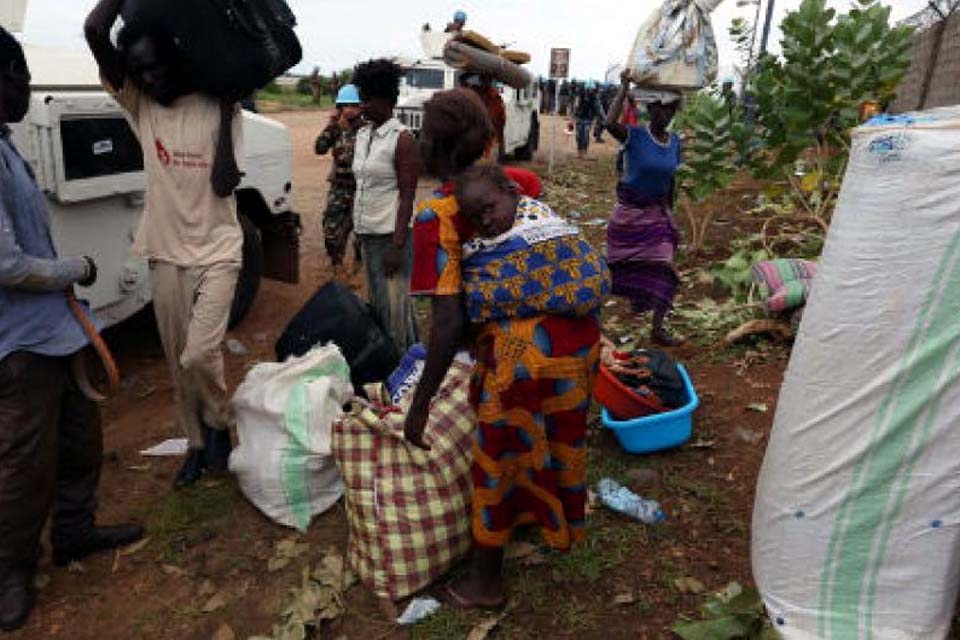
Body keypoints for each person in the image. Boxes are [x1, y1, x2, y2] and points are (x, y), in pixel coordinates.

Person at [407, 89, 606, 609]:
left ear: (439, 147)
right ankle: (557, 526)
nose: (419, 143)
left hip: (523, 356)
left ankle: (486, 580)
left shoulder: (438, 216)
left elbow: (448, 323)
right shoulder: (517, 185)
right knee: (558, 436)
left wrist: (421, 401)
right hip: (580, 338)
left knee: (498, 457)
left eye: (424, 136)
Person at [0, 27, 144, 632]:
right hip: (21, 343)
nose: (28, 91)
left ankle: (76, 531)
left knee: (80, 439)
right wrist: (77, 269)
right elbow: (6, 264)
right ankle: (10, 571)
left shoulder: (5, 145)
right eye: (22, 79)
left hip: (56, 331)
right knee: (23, 462)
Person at [86, 0, 244, 487]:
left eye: (156, 66)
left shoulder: (220, 104)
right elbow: (95, 28)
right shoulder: (140, 106)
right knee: (179, 365)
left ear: (175, 59)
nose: (150, 78)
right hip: (165, 252)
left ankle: (221, 421)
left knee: (200, 353)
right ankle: (198, 444)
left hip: (218, 248)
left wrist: (222, 102)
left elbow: (224, 183)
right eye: (139, 71)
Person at [604, 71, 684, 345]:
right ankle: (592, 313)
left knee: (666, 268)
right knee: (615, 271)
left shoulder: (675, 142)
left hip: (656, 216)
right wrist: (624, 85)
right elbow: (608, 122)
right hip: (628, 217)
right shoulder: (634, 136)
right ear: (650, 109)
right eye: (661, 108)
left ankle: (657, 329)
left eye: (671, 109)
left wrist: (670, 217)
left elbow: (671, 180)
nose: (666, 114)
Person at [351, 59, 419, 353]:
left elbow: (407, 195)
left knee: (397, 310)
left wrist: (397, 244)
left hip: (391, 237)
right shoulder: (363, 136)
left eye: (368, 99)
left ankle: (406, 367)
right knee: (378, 303)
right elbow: (362, 186)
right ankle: (386, 363)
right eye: (361, 98)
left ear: (386, 99)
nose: (363, 105)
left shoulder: (402, 139)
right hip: (368, 234)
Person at [315, 84, 363, 270]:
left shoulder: (367, 128)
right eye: (345, 105)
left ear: (360, 107)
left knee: (361, 231)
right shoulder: (336, 127)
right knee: (331, 228)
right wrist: (332, 126)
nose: (349, 110)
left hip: (361, 187)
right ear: (339, 107)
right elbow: (319, 148)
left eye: (354, 105)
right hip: (340, 186)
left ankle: (359, 264)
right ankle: (336, 262)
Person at [459, 73, 506, 160]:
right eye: (483, 80)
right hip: (476, 136)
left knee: (487, 164)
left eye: (487, 80)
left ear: (490, 81)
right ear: (480, 80)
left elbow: (501, 120)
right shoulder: (474, 92)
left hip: (489, 137)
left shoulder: (495, 97)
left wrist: (499, 139)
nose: (485, 82)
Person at [573, 83, 602, 159]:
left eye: (590, 89)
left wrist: (601, 118)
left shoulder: (594, 98)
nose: (589, 91)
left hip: (588, 119)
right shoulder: (580, 96)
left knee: (585, 135)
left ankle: (584, 151)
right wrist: (573, 116)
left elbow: (598, 108)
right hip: (580, 117)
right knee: (579, 136)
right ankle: (579, 151)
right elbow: (576, 106)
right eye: (588, 89)